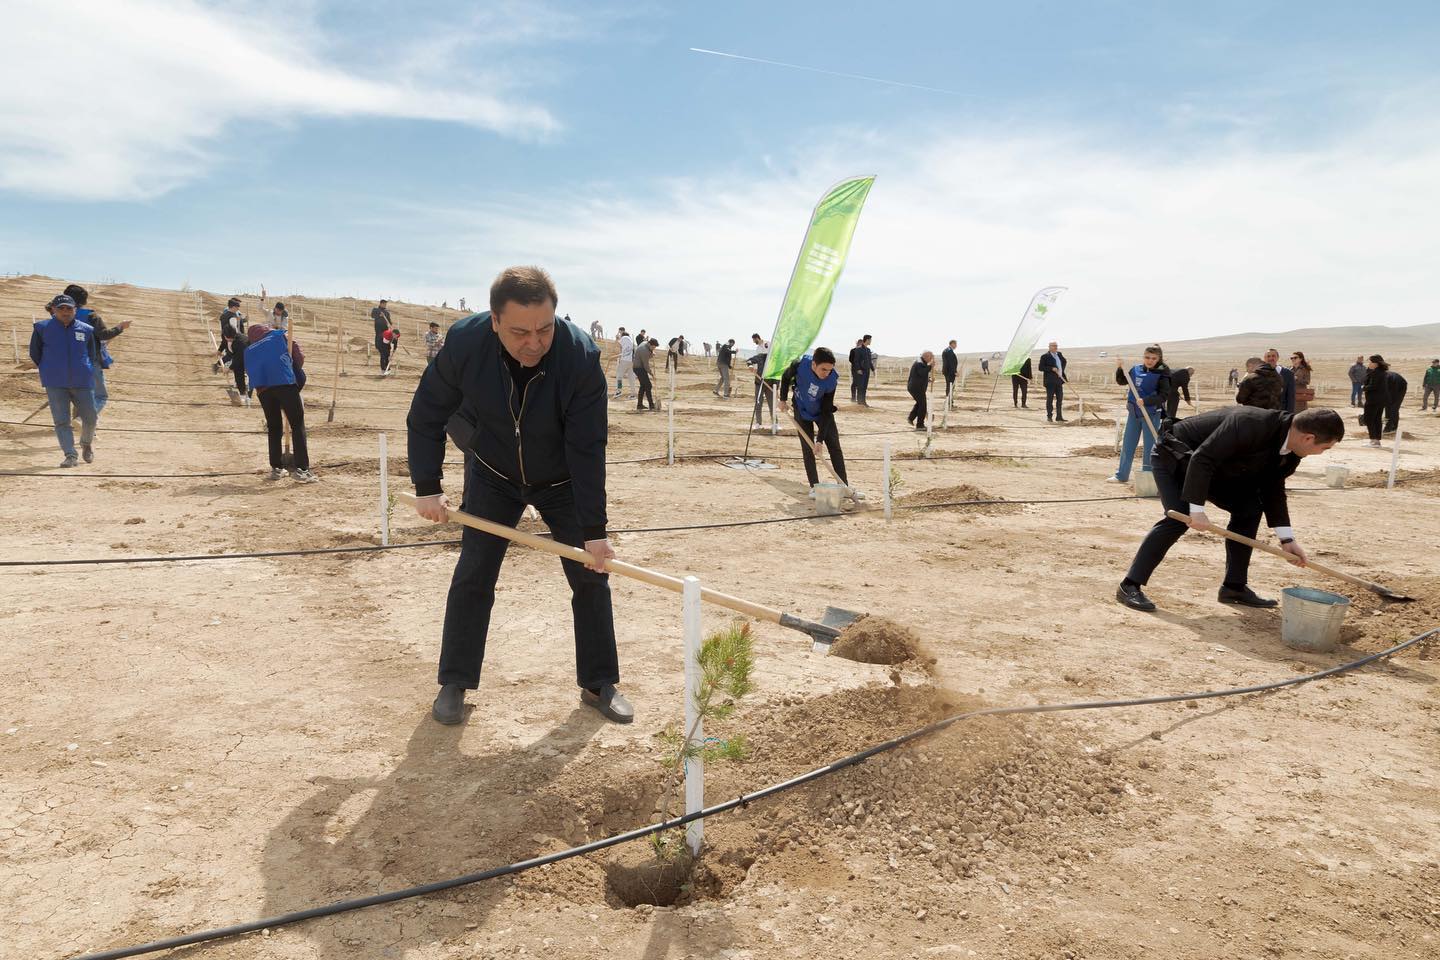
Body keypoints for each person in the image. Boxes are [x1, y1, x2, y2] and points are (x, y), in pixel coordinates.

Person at [406, 265, 630, 726]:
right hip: (493, 471)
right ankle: (455, 681)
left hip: (562, 479)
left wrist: (594, 530)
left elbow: (588, 447)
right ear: (494, 321)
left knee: (590, 574)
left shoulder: (579, 356)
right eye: (520, 332)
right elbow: (426, 412)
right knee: (474, 572)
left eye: (545, 329)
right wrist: (427, 487)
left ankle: (599, 682)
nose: (534, 343)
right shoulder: (465, 344)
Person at [1115, 406, 1344, 612]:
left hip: (1216, 468)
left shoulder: (1291, 452)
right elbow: (1202, 459)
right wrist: (1197, 510)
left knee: (1249, 509)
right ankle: (1130, 585)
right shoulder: (1249, 423)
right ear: (1308, 438)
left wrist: (1287, 539)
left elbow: (1272, 489)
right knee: (1179, 518)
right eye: (1324, 448)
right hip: (1175, 456)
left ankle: (1234, 587)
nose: (1321, 453)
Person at [30, 293, 98, 467]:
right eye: (61, 308)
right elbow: (35, 353)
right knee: (61, 421)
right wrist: (49, 369)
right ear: (54, 309)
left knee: (91, 418)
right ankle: (70, 455)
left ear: (75, 310)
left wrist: (85, 368)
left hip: (82, 381)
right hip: (55, 382)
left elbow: (91, 354)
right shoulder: (41, 328)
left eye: (69, 308)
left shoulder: (86, 329)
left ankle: (86, 443)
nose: (65, 312)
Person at [246, 322, 318, 483]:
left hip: (264, 391)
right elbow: (298, 355)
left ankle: (276, 469)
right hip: (285, 384)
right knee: (297, 425)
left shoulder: (250, 349)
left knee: (274, 428)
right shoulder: (278, 337)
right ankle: (302, 470)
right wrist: (293, 369)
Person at [779, 347, 850, 496]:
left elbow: (826, 410)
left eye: (830, 370)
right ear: (813, 364)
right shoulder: (799, 365)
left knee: (834, 447)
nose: (826, 373)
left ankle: (843, 486)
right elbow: (785, 378)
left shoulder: (831, 381)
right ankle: (814, 487)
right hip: (801, 409)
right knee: (808, 448)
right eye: (823, 369)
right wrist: (783, 399)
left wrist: (820, 440)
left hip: (821, 413)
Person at [63, 284, 131, 417]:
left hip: (67, 362)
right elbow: (104, 335)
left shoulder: (59, 316)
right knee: (100, 396)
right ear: (84, 300)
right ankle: (83, 420)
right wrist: (120, 327)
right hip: (88, 360)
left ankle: (80, 424)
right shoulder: (90, 315)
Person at [1108, 347, 1171, 483]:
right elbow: (1121, 381)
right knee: (1128, 444)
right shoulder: (1135, 370)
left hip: (1151, 414)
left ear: (1159, 359)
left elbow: (1163, 396)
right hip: (1134, 413)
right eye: (1147, 357)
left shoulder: (1162, 374)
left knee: (1149, 446)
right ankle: (1121, 475)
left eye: (1153, 358)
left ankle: (1147, 476)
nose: (1150, 361)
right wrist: (1120, 368)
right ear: (1143, 357)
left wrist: (1146, 401)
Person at [217, 297, 250, 401]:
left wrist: (229, 368)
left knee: (240, 370)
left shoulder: (239, 342)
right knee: (238, 371)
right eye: (237, 307)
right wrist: (219, 350)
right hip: (236, 348)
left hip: (246, 353)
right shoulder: (232, 319)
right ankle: (242, 394)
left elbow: (238, 359)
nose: (238, 309)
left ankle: (246, 395)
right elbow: (226, 340)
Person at [1360, 355, 1389, 447]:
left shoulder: (1376, 373)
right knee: (1377, 419)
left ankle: (1373, 440)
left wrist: (1363, 387)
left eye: (1370, 362)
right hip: (1380, 400)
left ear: (1376, 363)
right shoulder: (1382, 372)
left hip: (1373, 399)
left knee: (1369, 419)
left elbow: (1373, 386)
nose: (1369, 364)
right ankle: (1377, 440)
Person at [746, 333, 774, 426]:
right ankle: (758, 423)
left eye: (754, 340)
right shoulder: (759, 352)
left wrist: (776, 388)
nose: (754, 341)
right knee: (758, 402)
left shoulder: (768, 344)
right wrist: (751, 366)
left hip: (770, 382)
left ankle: (775, 423)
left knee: (772, 404)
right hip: (759, 381)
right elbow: (751, 361)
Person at [1038, 340, 1067, 422]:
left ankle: (1059, 417)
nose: (1055, 347)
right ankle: (1049, 416)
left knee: (1060, 399)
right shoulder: (1045, 356)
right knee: (1050, 399)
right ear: (1049, 347)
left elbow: (1064, 361)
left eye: (1056, 346)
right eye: (1053, 346)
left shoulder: (1059, 354)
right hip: (1050, 381)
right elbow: (1041, 367)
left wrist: (1061, 370)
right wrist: (1051, 368)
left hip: (1059, 380)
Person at [906, 351, 934, 430]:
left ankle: (911, 418)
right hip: (916, 388)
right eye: (931, 357)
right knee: (922, 405)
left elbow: (920, 375)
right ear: (926, 356)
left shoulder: (922, 362)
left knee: (920, 403)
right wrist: (930, 366)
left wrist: (929, 379)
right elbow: (922, 372)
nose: (931, 359)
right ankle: (920, 425)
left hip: (917, 387)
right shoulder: (919, 363)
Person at [1263, 348, 1295, 413]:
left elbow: (1291, 397)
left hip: (1281, 412)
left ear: (1277, 358)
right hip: (1264, 411)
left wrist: (1289, 414)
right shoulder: (1259, 373)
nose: (1271, 358)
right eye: (1268, 356)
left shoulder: (1288, 373)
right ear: (1264, 359)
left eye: (1273, 356)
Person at [371, 300, 395, 376]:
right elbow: (372, 315)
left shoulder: (387, 312)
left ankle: (388, 369)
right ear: (381, 304)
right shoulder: (376, 310)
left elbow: (389, 322)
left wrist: (391, 326)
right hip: (379, 334)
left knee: (387, 352)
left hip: (386, 334)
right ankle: (383, 369)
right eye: (384, 304)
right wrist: (379, 315)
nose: (385, 305)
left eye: (386, 304)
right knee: (382, 353)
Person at [633, 336, 657, 411]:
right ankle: (651, 405)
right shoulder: (644, 351)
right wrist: (652, 374)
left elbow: (648, 354)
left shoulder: (645, 343)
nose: (653, 349)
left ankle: (639, 405)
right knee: (648, 385)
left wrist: (651, 352)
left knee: (643, 386)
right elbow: (646, 365)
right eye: (653, 347)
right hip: (639, 368)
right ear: (649, 344)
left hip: (639, 367)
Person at [1383, 368, 1407, 436]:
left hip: (1398, 386)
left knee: (1391, 408)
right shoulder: (1383, 375)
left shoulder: (1383, 377)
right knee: (1393, 408)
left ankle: (1389, 427)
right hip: (1400, 385)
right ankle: (1392, 427)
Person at [613, 327, 635, 398]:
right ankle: (633, 394)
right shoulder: (631, 340)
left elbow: (617, 345)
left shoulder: (623, 338)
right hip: (631, 361)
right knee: (631, 378)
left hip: (624, 360)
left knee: (619, 376)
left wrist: (617, 339)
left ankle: (618, 391)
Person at [852, 335, 874, 405]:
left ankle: (863, 401)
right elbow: (856, 361)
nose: (871, 341)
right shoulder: (858, 349)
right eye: (870, 340)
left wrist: (873, 369)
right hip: (861, 371)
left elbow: (869, 361)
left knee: (864, 387)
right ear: (867, 340)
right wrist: (858, 369)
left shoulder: (868, 350)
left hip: (867, 371)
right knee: (860, 387)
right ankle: (859, 402)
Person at [941, 340, 958, 409]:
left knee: (950, 387)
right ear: (952, 344)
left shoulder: (947, 350)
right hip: (950, 373)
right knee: (950, 387)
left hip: (948, 372)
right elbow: (951, 363)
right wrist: (955, 372)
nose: (956, 346)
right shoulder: (949, 351)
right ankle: (949, 403)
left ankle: (950, 402)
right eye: (955, 344)